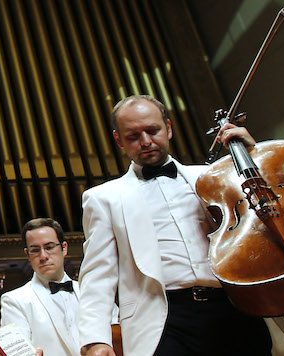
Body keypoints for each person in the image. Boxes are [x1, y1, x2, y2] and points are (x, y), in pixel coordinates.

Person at [77, 94, 271, 356]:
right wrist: (95, 339)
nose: (146, 142)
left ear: (168, 128)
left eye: (153, 130)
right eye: (133, 136)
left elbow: (267, 219)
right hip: (164, 320)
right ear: (118, 140)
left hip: (233, 307)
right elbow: (98, 275)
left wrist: (254, 158)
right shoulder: (103, 199)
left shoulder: (211, 176)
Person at [0, 218, 78, 356]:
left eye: (49, 247)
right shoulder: (14, 301)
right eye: (35, 250)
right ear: (27, 255)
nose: (43, 256)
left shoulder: (91, 292)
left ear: (64, 248)